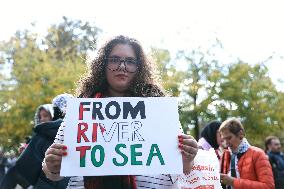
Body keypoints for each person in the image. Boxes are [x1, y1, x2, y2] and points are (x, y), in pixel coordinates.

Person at [42, 35, 199, 189]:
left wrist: (188, 157)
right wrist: (52, 165)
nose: (122, 66)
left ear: (139, 67)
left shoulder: (159, 109)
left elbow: (184, 168)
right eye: (114, 60)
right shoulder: (82, 109)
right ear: (103, 65)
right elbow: (54, 172)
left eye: (130, 61)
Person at [0, 96, 71, 189]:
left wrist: (27, 152)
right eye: (40, 116)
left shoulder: (42, 134)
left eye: (46, 115)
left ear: (54, 113)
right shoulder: (83, 135)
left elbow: (21, 171)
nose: (42, 119)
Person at [219, 118, 274, 189]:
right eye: (224, 139)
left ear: (240, 134)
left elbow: (268, 186)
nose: (226, 143)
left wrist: (233, 182)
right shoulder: (227, 154)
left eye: (229, 138)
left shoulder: (257, 154)